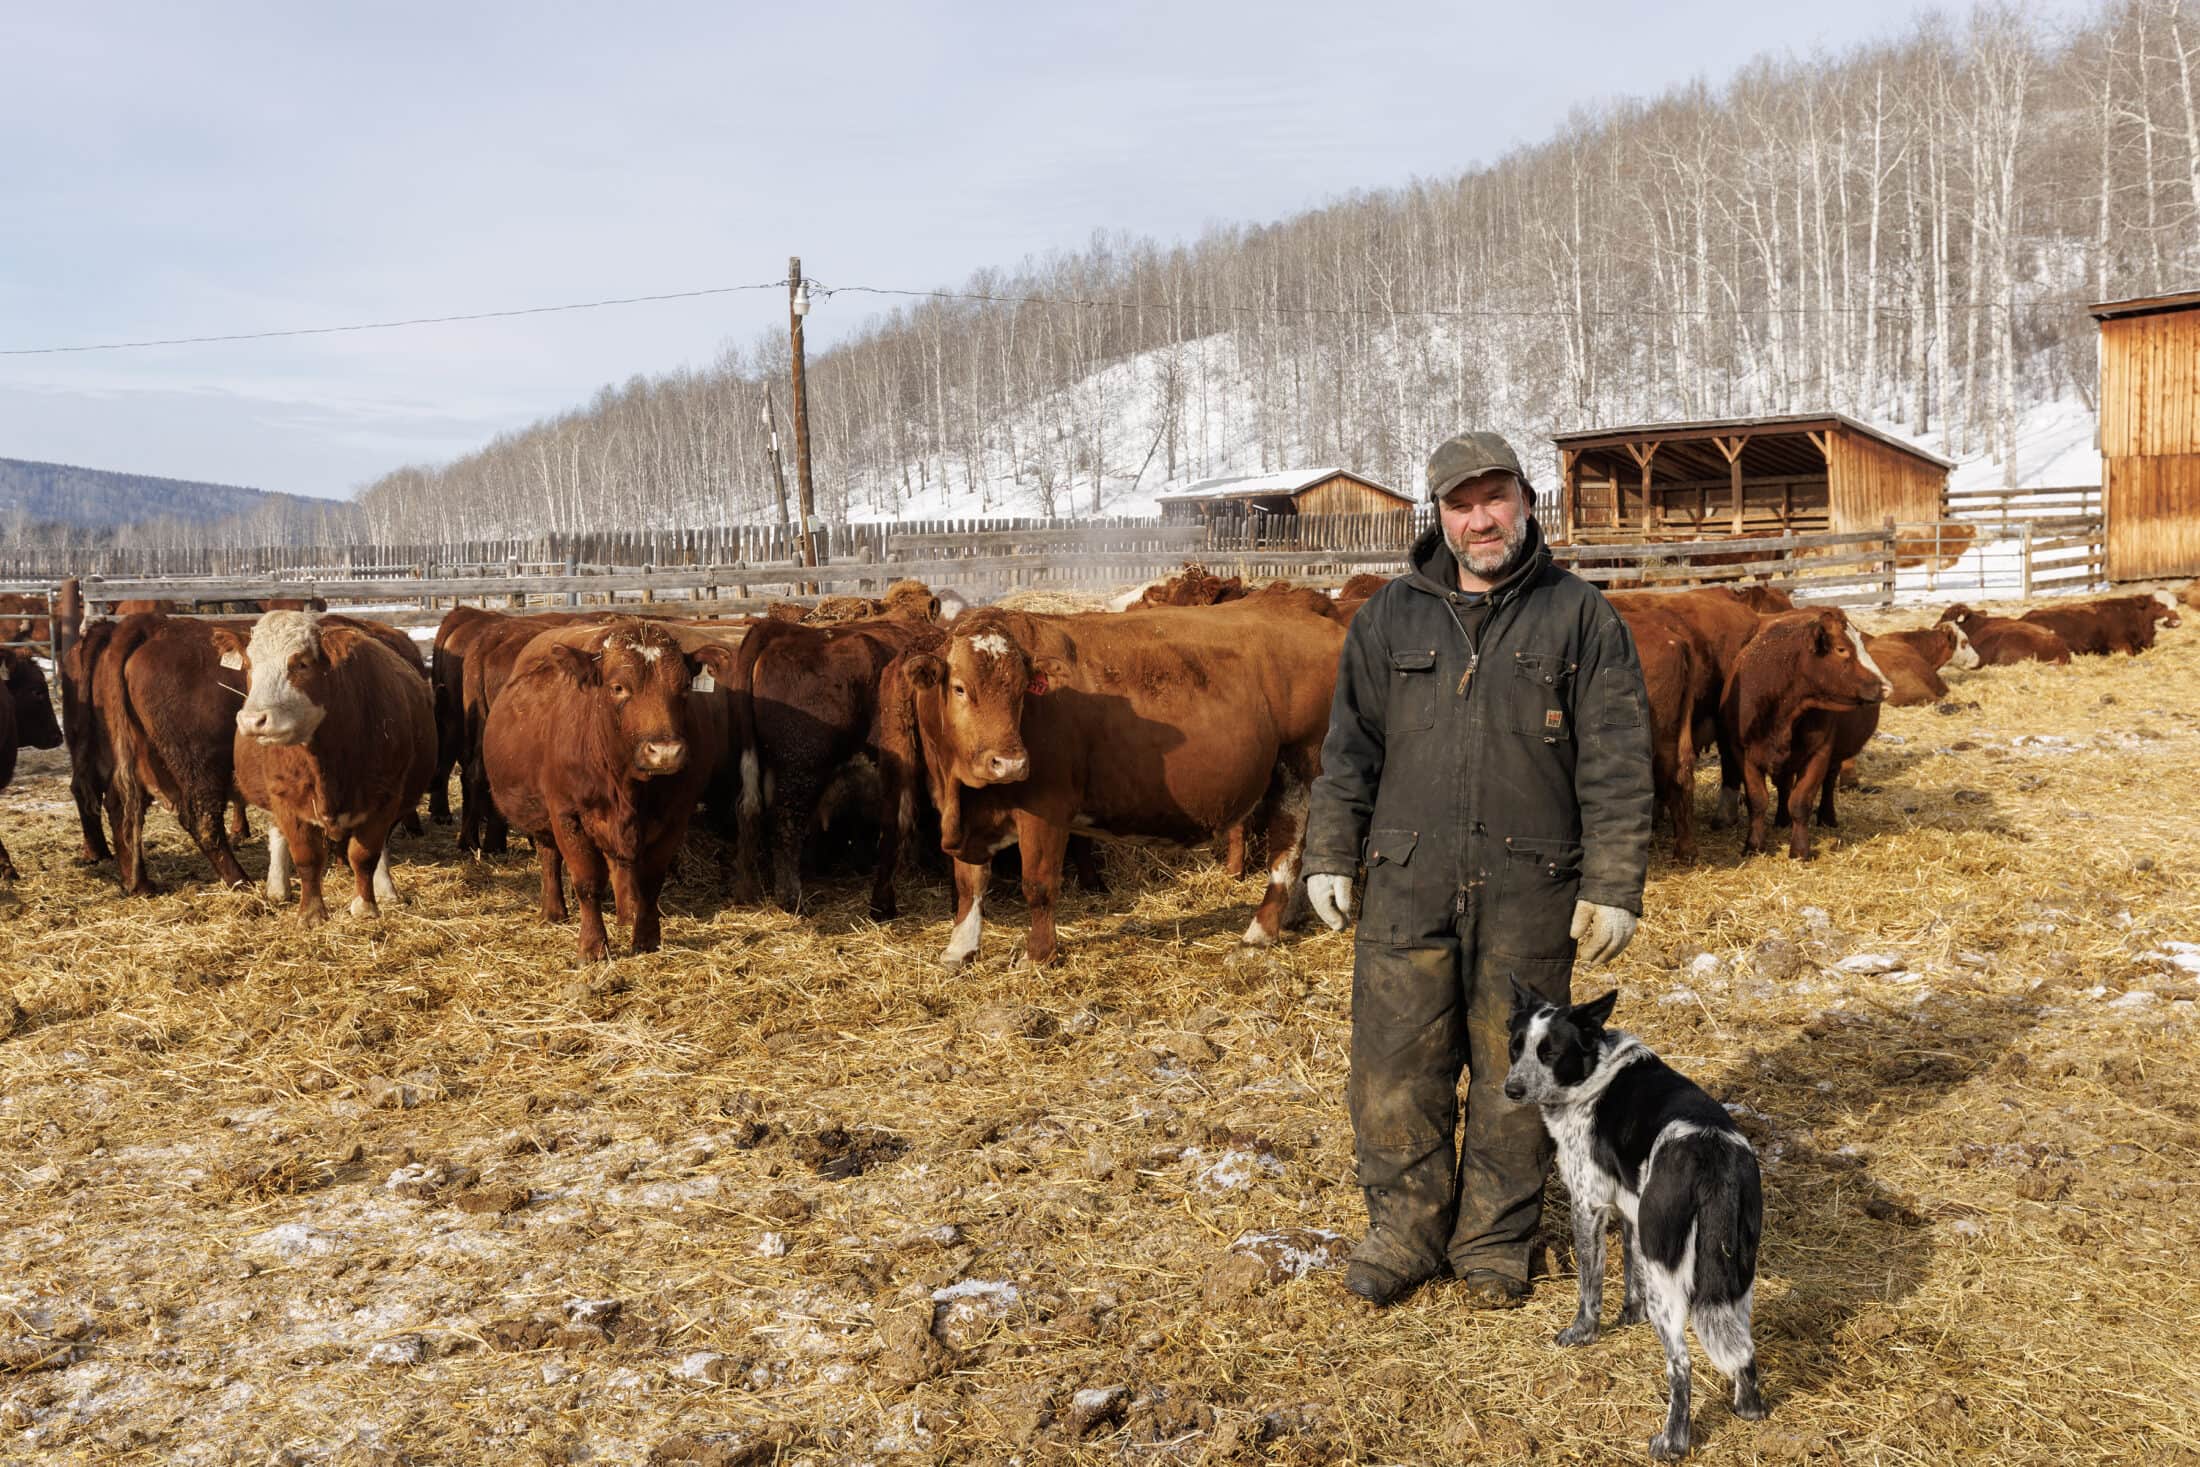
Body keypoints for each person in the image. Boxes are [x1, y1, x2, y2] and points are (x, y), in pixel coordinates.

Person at [1301, 430, 1654, 1309]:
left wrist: (1612, 882)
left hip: (1532, 885)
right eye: (1461, 503)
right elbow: (1349, 750)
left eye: (1495, 497)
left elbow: (1616, 758)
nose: (1481, 517)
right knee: (1394, 1063)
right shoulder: (1389, 618)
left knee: (1517, 1070)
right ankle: (1404, 1229)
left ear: (1526, 501)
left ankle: (1494, 1241)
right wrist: (1329, 851)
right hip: (1407, 878)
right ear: (1440, 517)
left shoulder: (1580, 615)